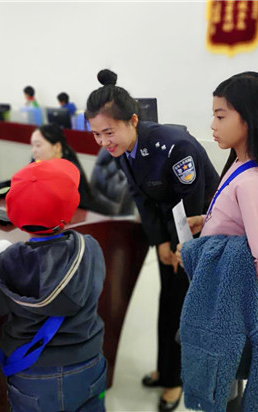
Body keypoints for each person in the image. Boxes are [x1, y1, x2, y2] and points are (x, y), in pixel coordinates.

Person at [85, 69, 219, 412]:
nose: (103, 142)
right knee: (168, 300)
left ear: (133, 121)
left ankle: (176, 380)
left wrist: (181, 247)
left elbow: (193, 205)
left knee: (183, 306)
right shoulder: (124, 148)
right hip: (170, 228)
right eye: (96, 134)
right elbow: (143, 199)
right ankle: (165, 369)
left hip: (201, 231)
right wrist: (159, 241)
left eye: (109, 132)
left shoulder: (174, 146)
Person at [0, 158, 107, 412]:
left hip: (33, 373)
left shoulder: (8, 261)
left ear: (14, 216)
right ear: (70, 211)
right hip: (87, 364)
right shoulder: (89, 247)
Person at [178, 71, 258, 284]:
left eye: (220, 117)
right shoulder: (238, 164)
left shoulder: (253, 184)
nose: (213, 125)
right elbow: (239, 226)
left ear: (250, 119)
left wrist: (196, 253)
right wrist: (205, 221)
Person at [30, 123, 94, 210]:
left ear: (57, 147)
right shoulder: (37, 163)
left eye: (38, 145)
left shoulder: (71, 174)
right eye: (32, 146)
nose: (33, 151)